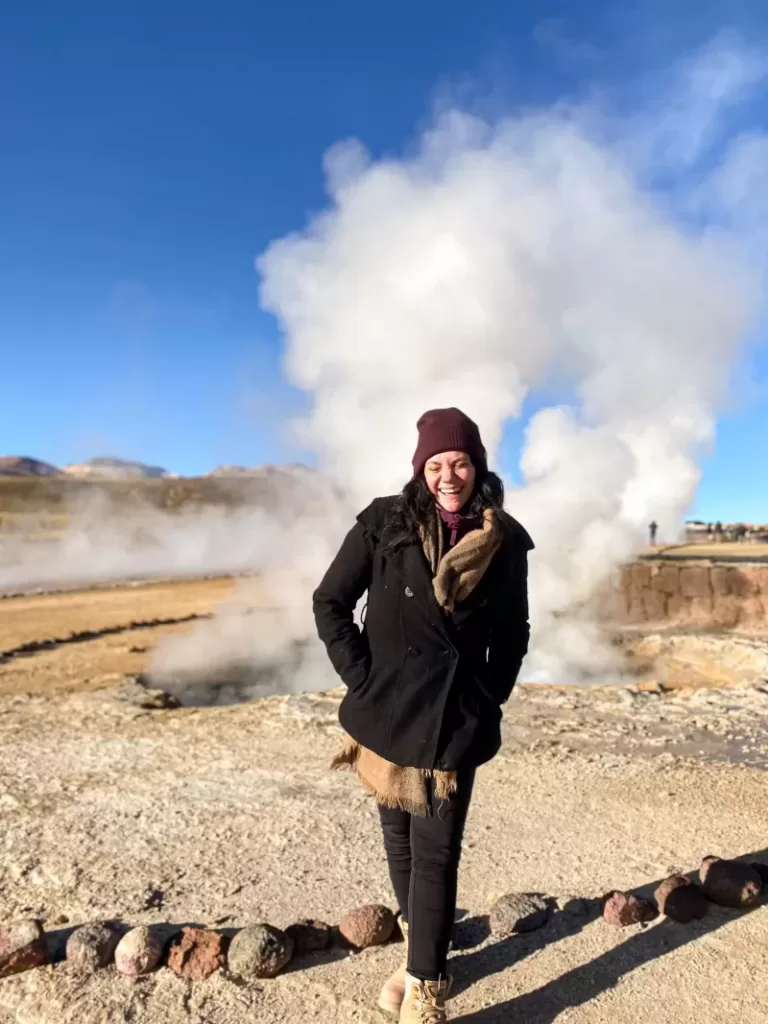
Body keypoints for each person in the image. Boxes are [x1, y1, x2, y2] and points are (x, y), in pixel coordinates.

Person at [313, 408, 533, 1023]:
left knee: (438, 853)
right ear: (421, 469)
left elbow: (513, 631)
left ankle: (426, 988)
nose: (448, 475)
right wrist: (363, 676)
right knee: (398, 839)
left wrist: (489, 695)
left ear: (478, 466)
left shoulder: (505, 539)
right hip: (385, 716)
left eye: (459, 462)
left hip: (451, 720)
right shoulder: (384, 521)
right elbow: (330, 601)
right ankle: (419, 949)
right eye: (435, 464)